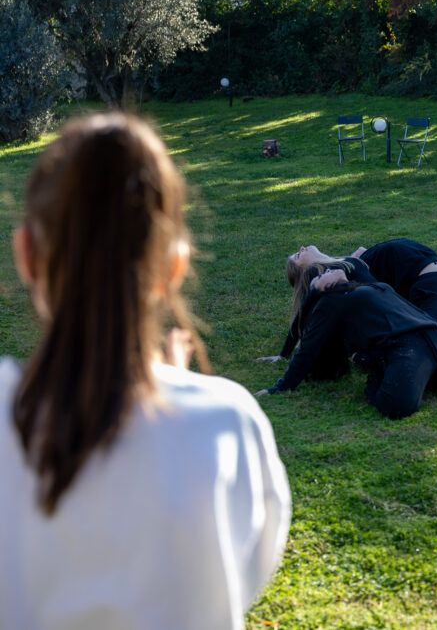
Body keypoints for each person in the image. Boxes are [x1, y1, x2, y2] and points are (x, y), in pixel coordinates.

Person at [1, 113, 290, 629]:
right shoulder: (227, 424)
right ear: (175, 267)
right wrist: (180, 389)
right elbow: (243, 571)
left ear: (25, 254)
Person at [256, 263, 437, 420]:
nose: (325, 271)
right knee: (398, 408)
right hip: (405, 348)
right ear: (319, 292)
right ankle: (383, 372)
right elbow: (308, 349)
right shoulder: (330, 303)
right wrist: (280, 387)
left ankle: (428, 374)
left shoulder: (367, 285)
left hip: (435, 337)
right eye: (319, 278)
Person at [284, 240, 437, 341]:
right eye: (297, 255)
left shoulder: (345, 262)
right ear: (305, 272)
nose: (301, 248)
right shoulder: (336, 276)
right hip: (433, 289)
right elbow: (379, 295)